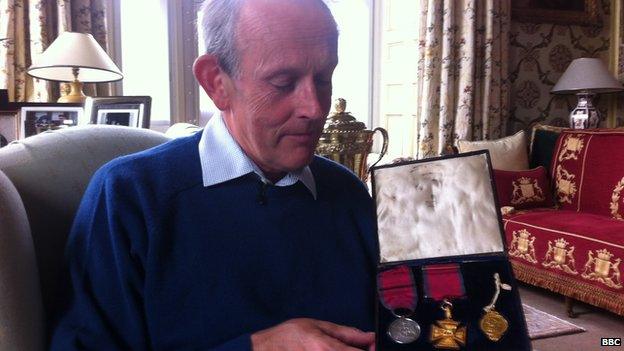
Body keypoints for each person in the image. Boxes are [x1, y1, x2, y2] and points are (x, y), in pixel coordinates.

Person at [50, 0, 378, 350]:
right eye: (283, 82)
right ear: (216, 82)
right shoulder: (129, 197)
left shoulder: (349, 194)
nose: (315, 109)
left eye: (324, 79)